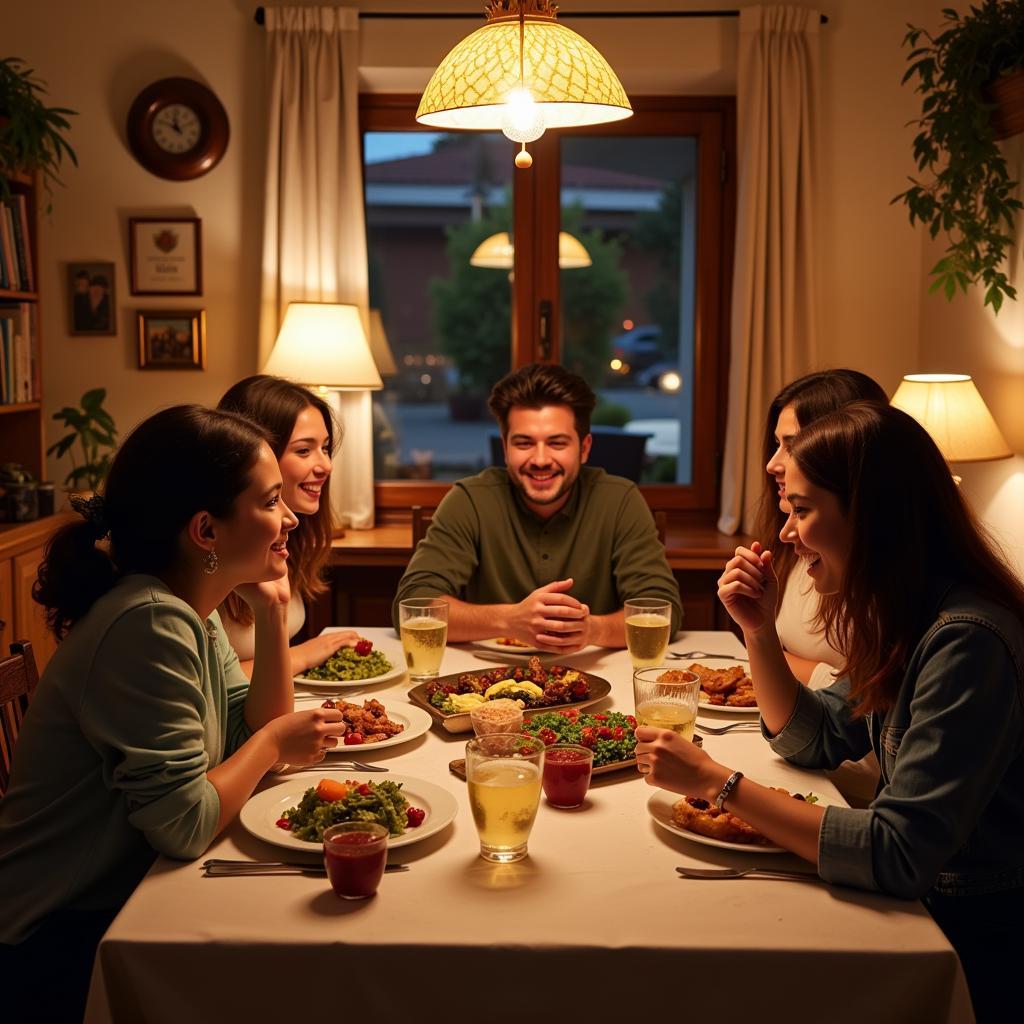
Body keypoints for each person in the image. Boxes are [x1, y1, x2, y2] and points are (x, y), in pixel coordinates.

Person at [635, 402, 1024, 1022]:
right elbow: (812, 741)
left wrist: (718, 783)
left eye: (801, 510)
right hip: (915, 911)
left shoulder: (966, 641)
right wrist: (757, 632)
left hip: (966, 942)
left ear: (869, 516)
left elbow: (898, 854)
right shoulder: (905, 614)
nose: (786, 533)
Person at [0, 406, 350, 1022]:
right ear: (206, 532)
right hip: (55, 940)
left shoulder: (187, 605)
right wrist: (272, 745)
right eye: (271, 501)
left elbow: (245, 728)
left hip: (126, 894)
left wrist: (272, 611)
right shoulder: (148, 622)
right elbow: (183, 824)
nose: (291, 517)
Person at [393, 363, 681, 651]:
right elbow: (414, 607)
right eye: (524, 443)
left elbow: (662, 610)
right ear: (505, 449)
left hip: (596, 675)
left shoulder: (620, 501)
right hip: (483, 682)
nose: (541, 459)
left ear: (584, 449)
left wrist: (593, 630)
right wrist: (508, 620)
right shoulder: (469, 499)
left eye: (557, 443)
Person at [218, 375, 358, 676]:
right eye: (304, 450)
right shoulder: (215, 553)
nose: (326, 466)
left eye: (326, 448)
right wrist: (302, 656)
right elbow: (206, 682)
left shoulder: (290, 539)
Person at [757, 369, 888, 689]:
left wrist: (772, 656)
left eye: (792, 445)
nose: (772, 464)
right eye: (777, 444)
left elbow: (870, 695)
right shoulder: (795, 546)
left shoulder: (882, 572)